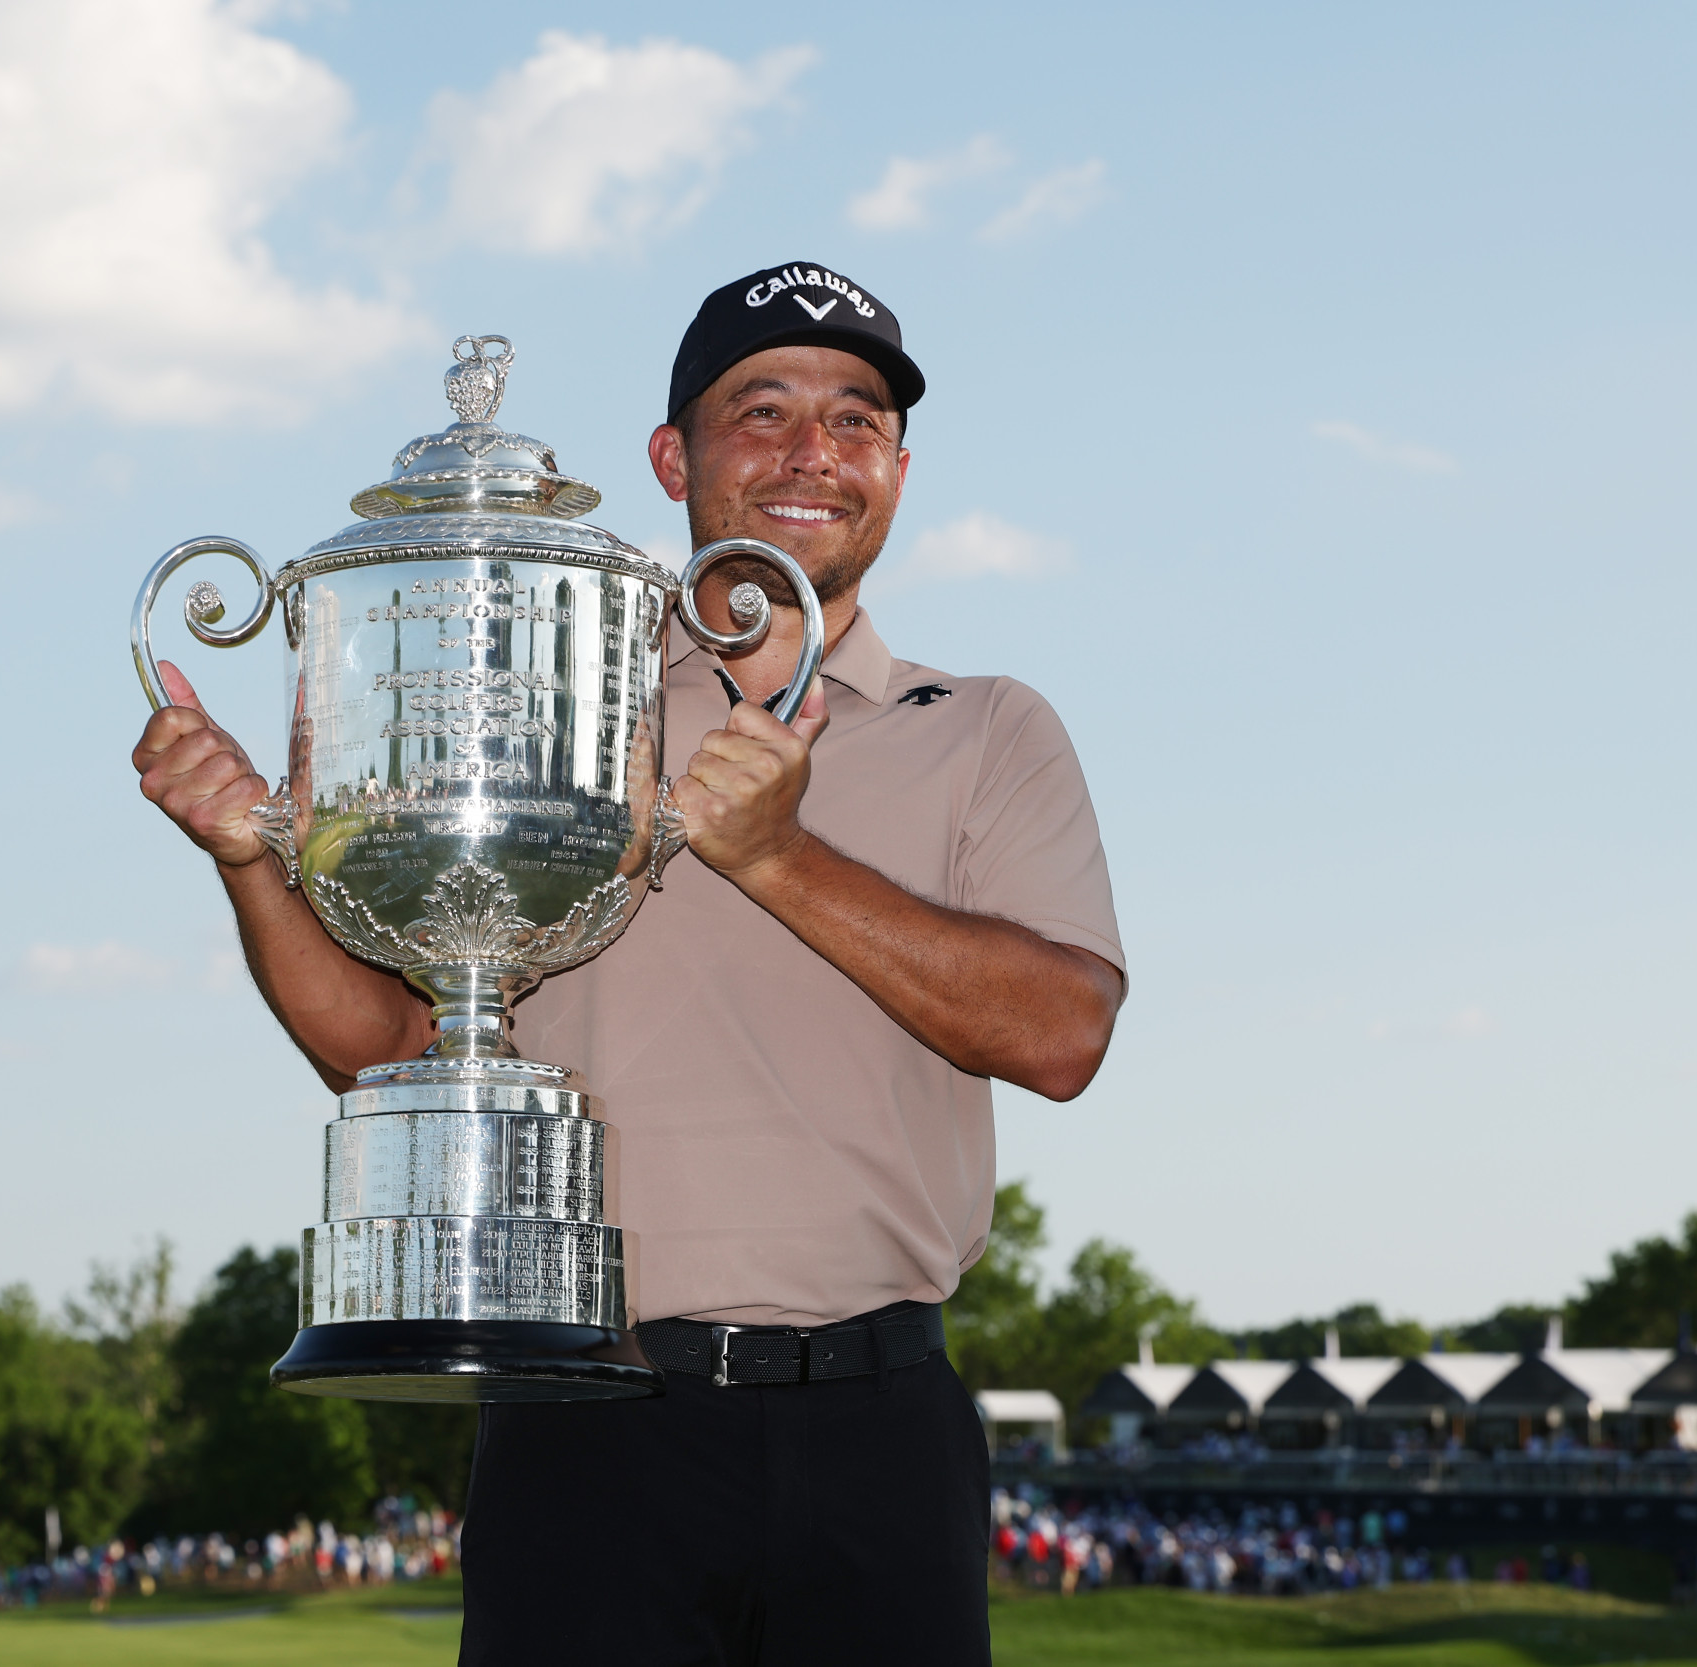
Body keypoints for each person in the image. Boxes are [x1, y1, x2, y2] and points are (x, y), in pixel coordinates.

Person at [131, 260, 1126, 1664]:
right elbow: (395, 1056)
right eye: (760, 410)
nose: (810, 455)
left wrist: (775, 854)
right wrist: (249, 851)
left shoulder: (987, 728)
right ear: (673, 457)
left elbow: (1062, 1035)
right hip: (590, 1414)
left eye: (855, 420)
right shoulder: (554, 711)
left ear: (899, 469)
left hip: (880, 1425)